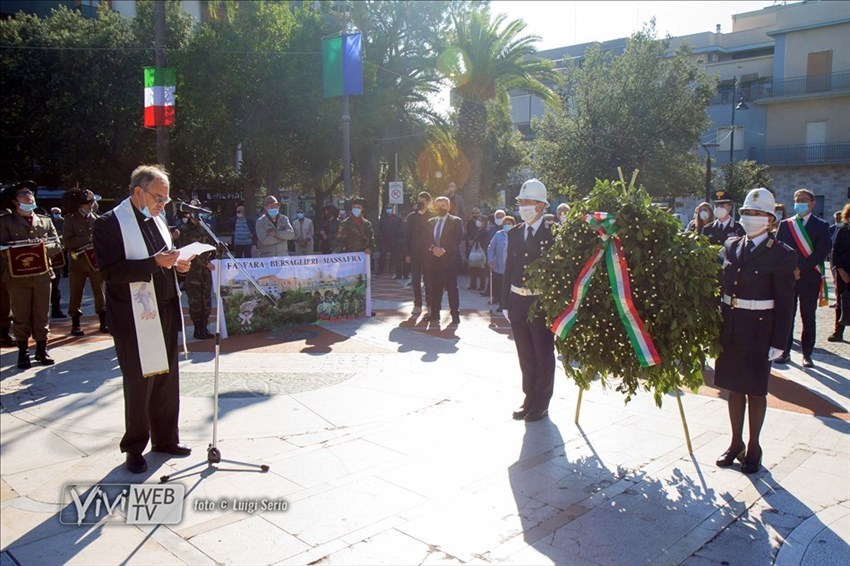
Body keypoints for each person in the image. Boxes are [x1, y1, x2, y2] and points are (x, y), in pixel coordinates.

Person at [93, 165, 193, 474]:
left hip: (164, 306)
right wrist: (153, 263)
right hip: (131, 315)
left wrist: (178, 266)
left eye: (166, 198)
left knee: (166, 376)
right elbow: (110, 272)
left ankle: (165, 439)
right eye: (159, 197)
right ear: (139, 192)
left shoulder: (157, 220)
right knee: (139, 380)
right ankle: (134, 447)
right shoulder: (109, 223)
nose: (164, 205)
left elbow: (164, 259)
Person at [714, 187, 796, 474]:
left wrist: (780, 340)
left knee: (755, 392)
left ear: (770, 220)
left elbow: (787, 302)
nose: (751, 218)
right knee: (733, 388)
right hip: (732, 327)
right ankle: (735, 442)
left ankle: (754, 445)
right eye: (748, 213)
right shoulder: (731, 246)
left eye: (759, 214)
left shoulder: (782, 255)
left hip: (760, 330)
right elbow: (720, 288)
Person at [502, 179, 555, 423]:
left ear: (541, 206)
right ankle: (529, 398)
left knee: (542, 354)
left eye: (528, 202)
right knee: (524, 354)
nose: (523, 206)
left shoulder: (552, 234)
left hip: (540, 303)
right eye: (521, 202)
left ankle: (542, 402)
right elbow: (509, 268)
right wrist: (505, 302)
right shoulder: (514, 233)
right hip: (517, 302)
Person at [0, 180, 63, 369]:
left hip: (43, 275)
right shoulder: (5, 222)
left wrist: (42, 247)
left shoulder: (45, 220)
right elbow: (2, 248)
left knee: (42, 314)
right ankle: (23, 352)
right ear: (14, 201)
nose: (28, 196)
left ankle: (41, 350)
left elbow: (57, 245)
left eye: (30, 193)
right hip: (18, 277)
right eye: (23, 194)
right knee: (21, 315)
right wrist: (22, 247)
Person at [775, 188, 831, 367]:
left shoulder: (821, 225)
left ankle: (807, 354)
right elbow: (778, 249)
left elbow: (822, 251)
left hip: (809, 278)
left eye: (804, 200)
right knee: (787, 315)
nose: (799, 203)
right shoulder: (785, 224)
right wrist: (790, 269)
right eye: (797, 199)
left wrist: (802, 268)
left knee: (808, 317)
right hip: (789, 277)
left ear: (813, 203)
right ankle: (784, 352)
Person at [63, 188, 106, 336]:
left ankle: (103, 321)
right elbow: (67, 241)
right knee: (76, 293)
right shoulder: (70, 220)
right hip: (78, 263)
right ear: (80, 205)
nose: (90, 206)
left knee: (100, 293)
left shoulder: (97, 219)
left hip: (95, 262)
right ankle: (76, 324)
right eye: (86, 203)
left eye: (91, 203)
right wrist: (87, 240)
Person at [177, 209, 216, 339]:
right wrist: (205, 262)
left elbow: (212, 247)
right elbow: (188, 251)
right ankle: (198, 328)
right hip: (193, 271)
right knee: (195, 301)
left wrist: (217, 253)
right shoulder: (185, 230)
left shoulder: (207, 228)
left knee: (206, 299)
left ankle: (204, 327)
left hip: (206, 271)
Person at [425, 196, 464, 325]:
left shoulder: (456, 221)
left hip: (450, 260)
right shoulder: (431, 221)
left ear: (448, 207)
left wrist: (443, 249)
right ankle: (435, 315)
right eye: (438, 205)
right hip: (434, 260)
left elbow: (457, 239)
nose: (440, 208)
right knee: (435, 288)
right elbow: (424, 239)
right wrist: (433, 248)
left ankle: (455, 315)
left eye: (443, 205)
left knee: (452, 288)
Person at [404, 192, 434, 316]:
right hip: (415, 253)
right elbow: (407, 236)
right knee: (415, 280)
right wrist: (407, 253)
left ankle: (430, 304)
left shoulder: (433, 216)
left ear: (427, 201)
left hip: (429, 254)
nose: (420, 203)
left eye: (422, 201)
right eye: (418, 200)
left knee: (429, 280)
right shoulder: (411, 217)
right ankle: (417, 304)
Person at [829, 204, 850, 342]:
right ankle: (838, 331)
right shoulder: (843, 232)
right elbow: (835, 253)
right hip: (843, 273)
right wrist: (841, 270)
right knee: (841, 302)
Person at [487, 214, 514, 309]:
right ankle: (501, 305)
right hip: (499, 266)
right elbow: (491, 248)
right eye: (505, 223)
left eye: (509, 223)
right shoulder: (498, 234)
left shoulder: (516, 234)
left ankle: (510, 305)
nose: (507, 225)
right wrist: (490, 260)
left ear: (513, 224)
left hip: (513, 268)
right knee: (501, 287)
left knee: (510, 288)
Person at [377, 205, 403, 276]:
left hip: (394, 239)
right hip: (384, 239)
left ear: (392, 209)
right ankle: (380, 269)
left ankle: (391, 269)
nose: (389, 209)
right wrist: (381, 236)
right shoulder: (382, 218)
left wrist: (397, 236)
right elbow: (379, 228)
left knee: (393, 255)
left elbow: (400, 228)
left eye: (390, 208)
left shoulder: (397, 218)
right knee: (383, 254)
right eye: (387, 208)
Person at [466, 208, 487, 291]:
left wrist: (473, 240)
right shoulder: (471, 223)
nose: (478, 221)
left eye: (480, 220)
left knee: (481, 270)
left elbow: (482, 239)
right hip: (472, 250)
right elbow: (468, 233)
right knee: (472, 268)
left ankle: (482, 286)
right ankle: (473, 284)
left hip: (481, 251)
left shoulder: (485, 230)